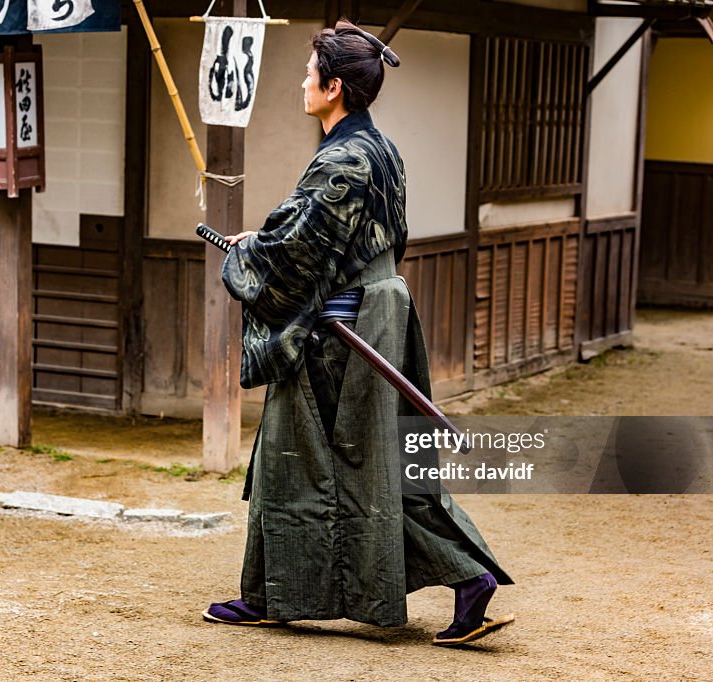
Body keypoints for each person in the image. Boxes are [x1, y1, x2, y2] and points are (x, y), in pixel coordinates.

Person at [202, 19, 514, 647]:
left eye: (309, 72)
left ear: (334, 85)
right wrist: (262, 243)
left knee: (298, 462)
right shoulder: (378, 149)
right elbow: (323, 238)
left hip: (338, 335)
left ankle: (272, 595)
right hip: (370, 319)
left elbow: (297, 255)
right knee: (381, 464)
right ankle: (465, 580)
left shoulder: (343, 159)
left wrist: (248, 254)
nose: (302, 81)